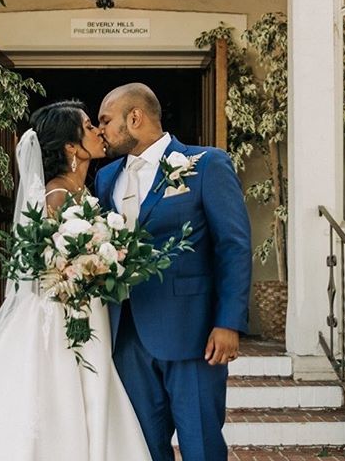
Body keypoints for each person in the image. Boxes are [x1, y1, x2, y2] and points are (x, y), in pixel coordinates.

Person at [0, 100, 151, 461]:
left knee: (94, 386)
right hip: (64, 316)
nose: (98, 131)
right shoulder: (56, 194)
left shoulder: (84, 190)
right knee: (65, 392)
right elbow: (47, 264)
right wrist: (89, 266)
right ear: (71, 147)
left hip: (86, 307)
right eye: (89, 126)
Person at [95, 83, 252, 461]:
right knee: (143, 449)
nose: (101, 130)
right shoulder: (106, 178)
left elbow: (233, 246)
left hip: (193, 334)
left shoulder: (206, 164)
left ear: (135, 117)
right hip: (127, 336)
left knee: (202, 446)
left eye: (105, 120)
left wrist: (229, 321)